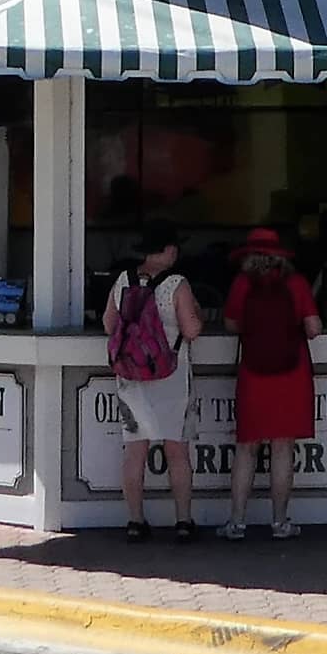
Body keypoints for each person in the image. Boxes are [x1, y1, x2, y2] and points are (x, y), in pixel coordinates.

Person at [100, 222, 205, 544]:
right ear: (169, 250)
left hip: (131, 376)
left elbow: (108, 325)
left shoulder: (123, 280)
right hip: (171, 376)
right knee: (177, 452)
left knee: (135, 453)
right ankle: (184, 521)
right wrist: (198, 314)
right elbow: (191, 330)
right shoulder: (177, 284)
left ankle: (135, 521)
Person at [221, 226, 324, 540]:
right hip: (291, 374)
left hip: (253, 372)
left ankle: (236, 522)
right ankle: (280, 522)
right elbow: (314, 328)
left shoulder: (242, 283)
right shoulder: (295, 283)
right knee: (282, 449)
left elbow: (230, 324)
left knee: (246, 449)